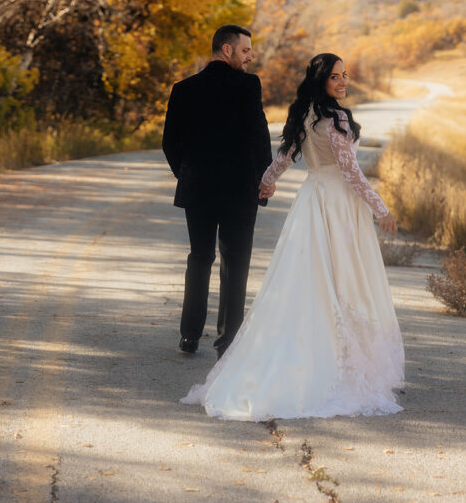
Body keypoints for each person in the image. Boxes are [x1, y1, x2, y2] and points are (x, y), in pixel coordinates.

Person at [181, 53, 405, 420]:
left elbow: (285, 156)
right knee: (343, 281)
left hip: (313, 201)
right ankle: (340, 365)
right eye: (335, 77)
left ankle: (328, 355)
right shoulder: (337, 119)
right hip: (338, 205)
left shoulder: (305, 114)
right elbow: (351, 173)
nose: (343, 82)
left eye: (345, 75)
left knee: (317, 282)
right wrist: (381, 208)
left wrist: (267, 181)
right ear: (321, 81)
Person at [162, 24, 272, 357]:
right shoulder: (248, 85)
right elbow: (258, 134)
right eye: (245, 50)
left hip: (199, 189)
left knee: (199, 257)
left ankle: (189, 335)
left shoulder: (183, 88)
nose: (250, 57)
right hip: (240, 190)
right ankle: (227, 342)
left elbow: (170, 142)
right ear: (226, 50)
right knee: (235, 263)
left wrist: (187, 173)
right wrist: (265, 177)